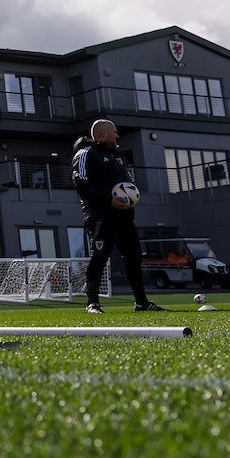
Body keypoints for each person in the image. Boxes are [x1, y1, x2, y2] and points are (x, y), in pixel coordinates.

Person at [73, 119, 167, 314]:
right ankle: (92, 304)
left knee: (133, 258)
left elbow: (126, 184)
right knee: (99, 257)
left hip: (124, 217)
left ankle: (142, 303)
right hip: (101, 216)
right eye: (114, 132)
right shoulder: (86, 154)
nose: (117, 136)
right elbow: (81, 184)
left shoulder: (118, 156)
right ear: (103, 134)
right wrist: (109, 200)